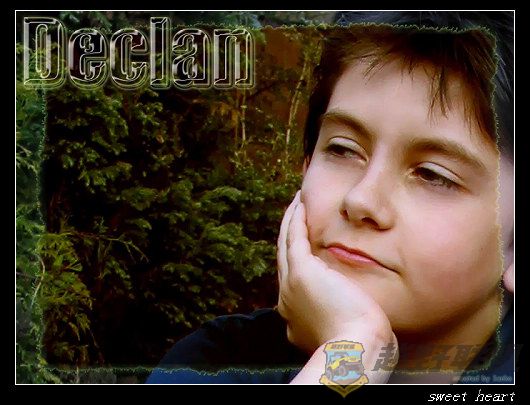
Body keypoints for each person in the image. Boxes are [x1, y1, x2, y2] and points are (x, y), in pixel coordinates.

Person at [146, 11, 514, 385]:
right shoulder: (215, 364)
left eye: (433, 175)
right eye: (342, 149)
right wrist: (355, 350)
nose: (360, 200)